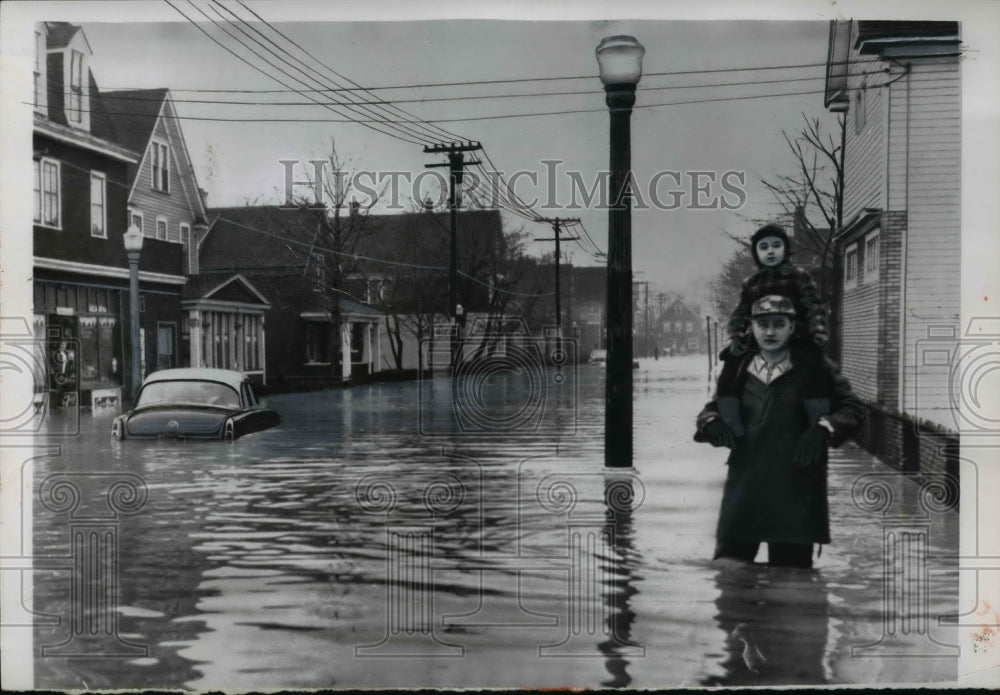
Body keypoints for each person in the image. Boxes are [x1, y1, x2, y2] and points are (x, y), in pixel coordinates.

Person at [694, 294, 864, 568]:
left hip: (796, 491)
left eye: (778, 323)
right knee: (730, 576)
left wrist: (824, 428)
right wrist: (713, 423)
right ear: (751, 326)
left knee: (791, 582)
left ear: (792, 327)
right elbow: (710, 409)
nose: (770, 331)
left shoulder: (815, 368)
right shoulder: (737, 369)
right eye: (762, 324)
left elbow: (854, 408)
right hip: (744, 489)